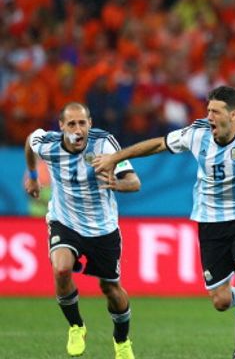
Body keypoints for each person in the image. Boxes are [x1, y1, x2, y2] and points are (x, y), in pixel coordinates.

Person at [93, 86, 235, 359]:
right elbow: (157, 144)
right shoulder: (196, 133)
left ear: (234, 114)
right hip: (210, 222)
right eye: (208, 110)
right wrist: (115, 158)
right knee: (222, 301)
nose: (209, 116)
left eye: (215, 111)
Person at [24, 102, 140, 359]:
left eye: (83, 123)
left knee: (110, 288)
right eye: (72, 124)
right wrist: (32, 175)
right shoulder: (48, 144)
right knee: (61, 268)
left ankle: (122, 341)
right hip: (65, 222)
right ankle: (76, 326)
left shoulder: (105, 145)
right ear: (62, 126)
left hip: (103, 228)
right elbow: (30, 142)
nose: (78, 130)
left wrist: (116, 184)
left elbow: (134, 182)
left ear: (91, 124)